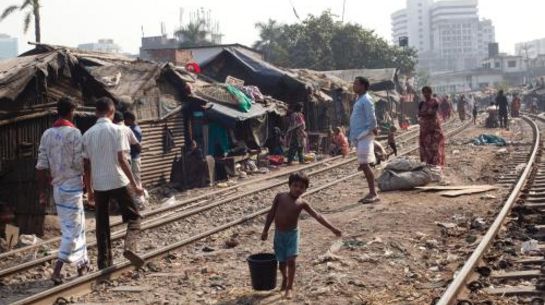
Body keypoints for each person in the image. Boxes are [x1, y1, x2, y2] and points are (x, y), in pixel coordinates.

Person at [83, 97, 145, 270]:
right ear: (111, 112)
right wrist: (134, 184)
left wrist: (89, 191)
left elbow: (86, 166)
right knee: (134, 217)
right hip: (119, 180)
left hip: (100, 185)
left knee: (102, 224)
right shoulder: (118, 130)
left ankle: (104, 263)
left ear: (96, 113)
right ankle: (129, 247)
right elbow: (122, 159)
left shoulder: (87, 135)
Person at [261, 172, 341, 299]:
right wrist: (265, 230)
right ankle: (285, 278)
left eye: (302, 187)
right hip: (279, 234)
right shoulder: (280, 197)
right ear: (290, 185)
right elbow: (271, 213)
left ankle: (290, 287)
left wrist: (332, 228)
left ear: (305, 189)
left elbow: (317, 216)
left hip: (292, 235)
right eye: (295, 185)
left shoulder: (302, 203)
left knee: (291, 260)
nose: (298, 189)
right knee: (281, 263)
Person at [36, 97, 90, 285]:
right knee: (72, 231)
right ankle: (57, 270)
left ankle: (82, 263)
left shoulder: (47, 134)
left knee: (76, 226)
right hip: (73, 186)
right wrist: (88, 186)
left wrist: (43, 192)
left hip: (57, 189)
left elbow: (41, 166)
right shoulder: (75, 134)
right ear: (71, 112)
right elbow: (80, 162)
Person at [349, 77, 379, 203]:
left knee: (365, 165)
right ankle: (372, 192)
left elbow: (371, 117)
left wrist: (371, 129)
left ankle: (373, 193)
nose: (353, 86)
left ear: (362, 86)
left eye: (356, 84)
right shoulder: (359, 99)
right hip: (360, 136)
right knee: (363, 164)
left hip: (364, 135)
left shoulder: (366, 99)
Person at [418, 86, 445, 167]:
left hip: (433, 129)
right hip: (424, 130)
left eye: (427, 92)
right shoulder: (421, 103)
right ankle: (427, 164)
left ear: (431, 93)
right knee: (425, 146)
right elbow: (419, 114)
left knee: (434, 147)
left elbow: (432, 113)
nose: (426, 94)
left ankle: (435, 164)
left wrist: (424, 114)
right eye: (424, 92)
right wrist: (425, 114)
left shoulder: (435, 102)